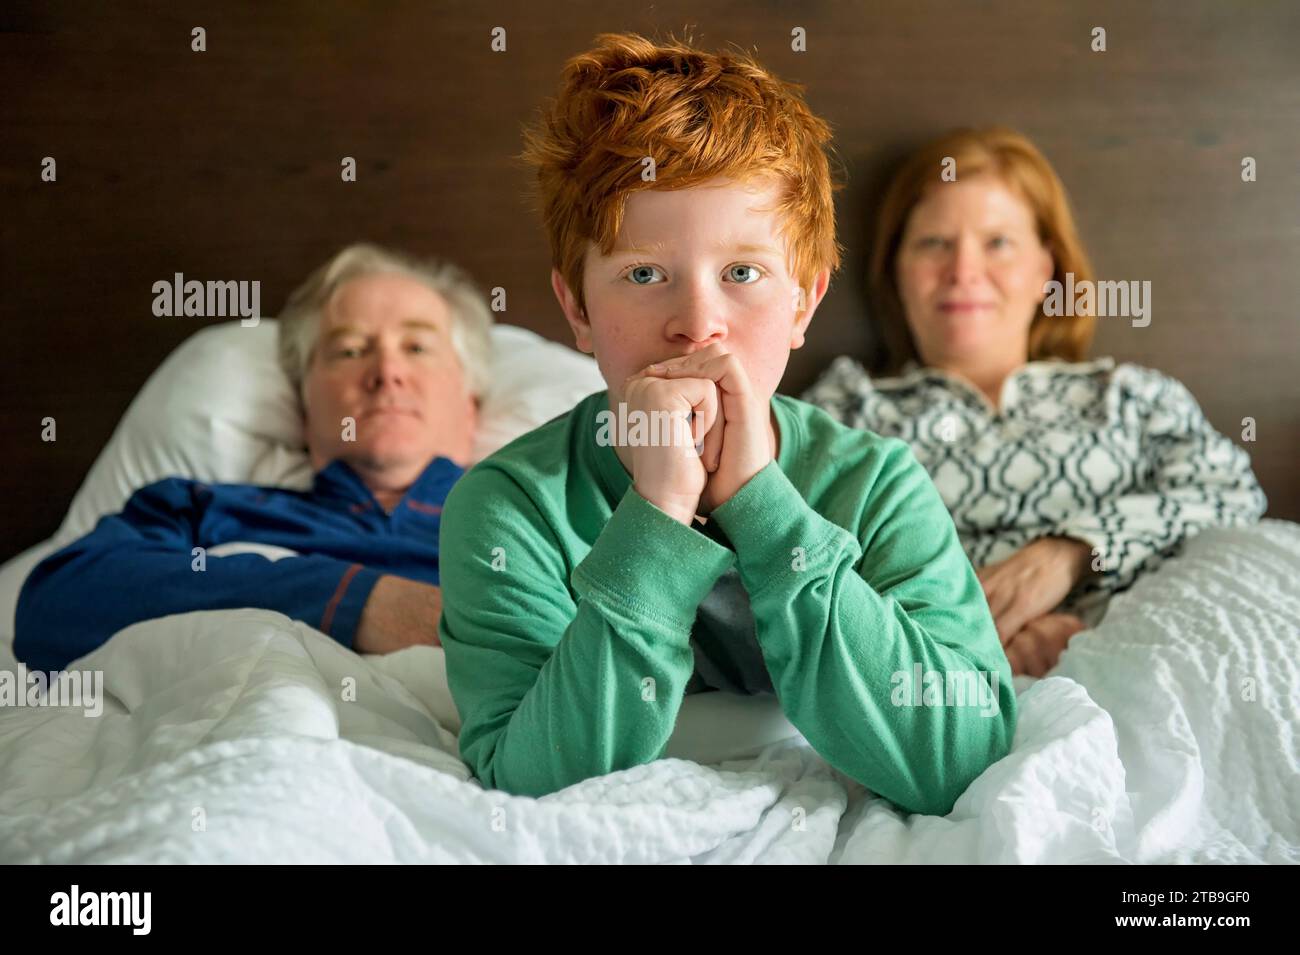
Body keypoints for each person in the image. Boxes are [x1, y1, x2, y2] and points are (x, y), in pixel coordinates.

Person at [437, 33, 1016, 814]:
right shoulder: (508, 507)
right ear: (577, 308)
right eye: (644, 274)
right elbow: (532, 784)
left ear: (803, 303)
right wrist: (656, 517)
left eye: (743, 273)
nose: (698, 324)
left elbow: (966, 756)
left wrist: (758, 500)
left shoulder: (877, 484)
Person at [804, 127, 1267, 677]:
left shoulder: (1131, 398)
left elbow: (1234, 497)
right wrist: (981, 627)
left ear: (1045, 270)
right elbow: (799, 564)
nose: (964, 271)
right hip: (930, 685)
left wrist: (1070, 552)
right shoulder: (846, 413)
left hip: (1146, 662)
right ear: (895, 271)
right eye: (933, 243)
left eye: (998, 243)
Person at [15, 243, 492, 671]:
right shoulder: (203, 511)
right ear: (304, 407)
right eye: (349, 351)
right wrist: (360, 602)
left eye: (417, 346)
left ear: (470, 405)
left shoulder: (535, 530)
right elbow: (52, 608)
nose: (387, 371)